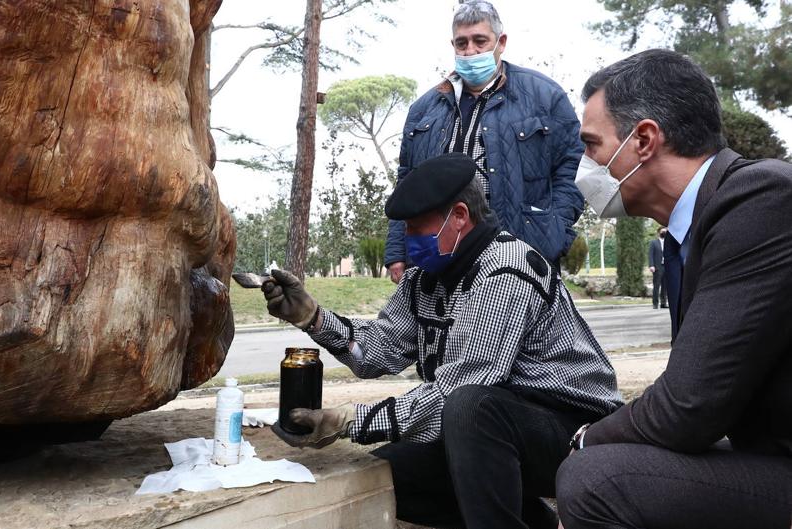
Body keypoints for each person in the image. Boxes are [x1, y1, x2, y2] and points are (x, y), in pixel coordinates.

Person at [262, 153, 621, 529]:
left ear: (460, 216)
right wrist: (312, 318)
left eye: (417, 227)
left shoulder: (505, 271)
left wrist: (351, 420)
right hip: (501, 427)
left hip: (576, 431)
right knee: (386, 473)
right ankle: (533, 523)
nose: (410, 239)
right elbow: (378, 351)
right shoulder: (426, 279)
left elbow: (458, 390)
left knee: (469, 409)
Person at [557, 49, 792, 529]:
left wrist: (586, 438)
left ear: (643, 140)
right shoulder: (694, 231)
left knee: (595, 480)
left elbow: (689, 408)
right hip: (773, 453)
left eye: (592, 144)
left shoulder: (763, 200)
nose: (586, 164)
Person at [384, 1, 584, 283]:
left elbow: (572, 166)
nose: (470, 51)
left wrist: (555, 229)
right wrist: (397, 250)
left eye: (480, 41)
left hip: (522, 257)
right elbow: (406, 182)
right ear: (452, 44)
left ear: (500, 42)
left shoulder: (544, 97)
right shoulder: (424, 109)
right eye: (462, 43)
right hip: (441, 259)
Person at [647, 226, 667, 310]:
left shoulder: (668, 243)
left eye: (666, 232)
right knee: (656, 286)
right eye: (663, 232)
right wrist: (651, 265)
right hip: (657, 267)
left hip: (666, 267)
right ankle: (655, 303)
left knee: (665, 286)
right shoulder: (653, 242)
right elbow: (650, 254)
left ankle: (663, 303)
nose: (664, 233)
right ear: (659, 233)